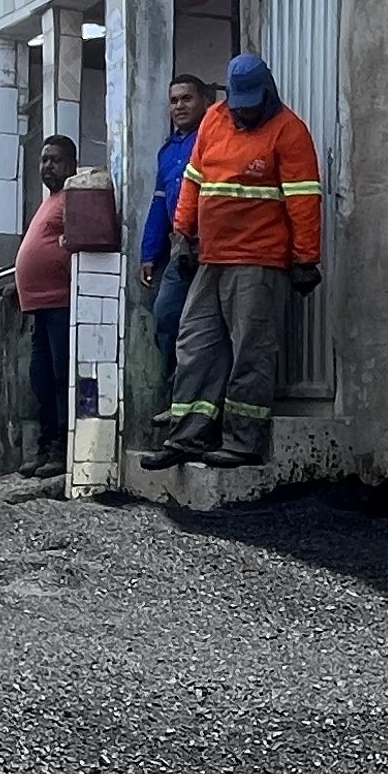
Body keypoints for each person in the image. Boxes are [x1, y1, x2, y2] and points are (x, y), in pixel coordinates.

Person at [143, 53, 323, 472]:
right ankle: (187, 436)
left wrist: (305, 259)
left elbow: (304, 200)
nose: (242, 110)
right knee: (195, 342)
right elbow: (193, 181)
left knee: (251, 350)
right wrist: (182, 235)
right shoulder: (215, 120)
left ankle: (242, 441)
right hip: (211, 256)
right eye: (237, 102)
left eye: (250, 102)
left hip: (259, 260)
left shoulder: (289, 131)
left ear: (267, 91)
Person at [15, 132, 77, 477]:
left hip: (62, 303)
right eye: (44, 159)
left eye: (55, 159)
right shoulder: (50, 200)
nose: (47, 165)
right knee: (40, 378)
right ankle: (45, 444)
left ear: (71, 164)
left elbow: (82, 242)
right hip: (39, 306)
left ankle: (60, 451)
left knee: (59, 376)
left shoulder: (74, 197)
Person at [138, 72, 210, 370]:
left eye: (187, 98)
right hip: (180, 251)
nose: (179, 106)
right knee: (167, 314)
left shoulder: (213, 140)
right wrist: (149, 253)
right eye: (173, 100)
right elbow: (158, 204)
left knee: (208, 326)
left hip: (213, 247)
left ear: (207, 101)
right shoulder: (168, 151)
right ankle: (175, 394)